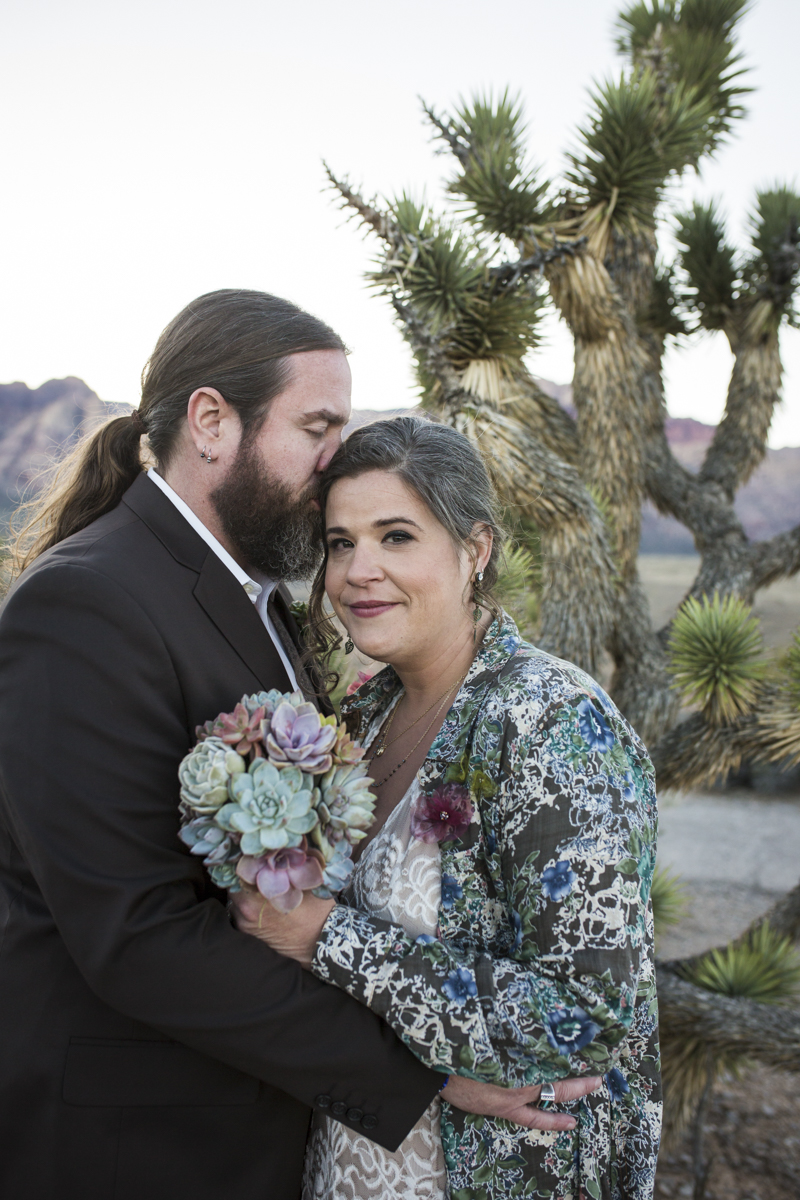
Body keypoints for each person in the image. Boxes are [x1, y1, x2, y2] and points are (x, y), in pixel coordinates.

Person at [0, 291, 596, 1200]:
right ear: (211, 422)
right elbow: (136, 935)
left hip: (248, 1131)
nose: (336, 465)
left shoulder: (250, 592)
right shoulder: (89, 603)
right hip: (136, 1147)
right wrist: (418, 1075)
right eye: (317, 427)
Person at [233, 415, 663, 1200]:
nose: (360, 569)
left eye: (397, 536)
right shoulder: (361, 717)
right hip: (351, 1160)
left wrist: (325, 937)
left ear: (475, 550)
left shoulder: (549, 723)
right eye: (340, 542)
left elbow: (581, 1015)